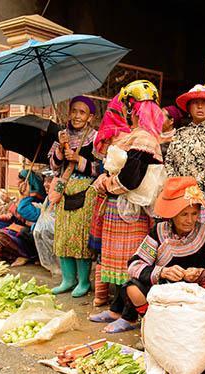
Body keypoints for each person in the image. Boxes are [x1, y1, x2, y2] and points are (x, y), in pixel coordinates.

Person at [91, 176, 205, 332]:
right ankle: (150, 323)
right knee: (131, 286)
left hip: (195, 295)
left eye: (194, 214)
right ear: (172, 214)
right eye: (184, 214)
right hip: (164, 291)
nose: (190, 220)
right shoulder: (159, 231)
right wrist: (163, 272)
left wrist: (201, 273)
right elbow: (135, 265)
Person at [88, 80, 166, 332]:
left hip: (132, 210)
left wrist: (106, 183)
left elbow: (131, 178)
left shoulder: (143, 138)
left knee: (132, 262)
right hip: (120, 208)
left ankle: (130, 315)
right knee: (121, 262)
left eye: (129, 106)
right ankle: (116, 309)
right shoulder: (133, 135)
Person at [48, 95, 99, 298]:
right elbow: (52, 166)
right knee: (63, 235)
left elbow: (101, 168)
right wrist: (60, 151)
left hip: (86, 193)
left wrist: (79, 159)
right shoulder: (61, 136)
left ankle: (84, 281)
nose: (77, 116)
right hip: (64, 191)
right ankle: (67, 279)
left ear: (90, 117)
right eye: (74, 111)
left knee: (80, 237)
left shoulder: (96, 138)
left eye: (82, 112)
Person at [89, 93, 133, 307]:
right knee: (108, 251)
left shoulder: (137, 137)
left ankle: (124, 302)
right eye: (125, 107)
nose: (128, 112)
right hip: (111, 201)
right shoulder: (109, 133)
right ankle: (105, 296)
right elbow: (100, 167)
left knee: (126, 253)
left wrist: (107, 179)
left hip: (127, 199)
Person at [164, 84, 205, 233]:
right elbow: (169, 161)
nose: (200, 106)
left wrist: (193, 183)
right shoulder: (180, 134)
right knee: (181, 236)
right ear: (189, 108)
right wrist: (176, 183)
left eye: (204, 103)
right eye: (195, 102)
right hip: (179, 194)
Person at [0, 170, 45, 265]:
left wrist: (21, 197)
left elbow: (22, 213)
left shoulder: (37, 198)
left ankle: (23, 255)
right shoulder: (23, 195)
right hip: (15, 225)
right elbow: (12, 215)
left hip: (27, 233)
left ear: (27, 183)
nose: (18, 183)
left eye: (20, 181)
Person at [33, 169, 60, 276]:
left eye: (49, 181)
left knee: (44, 232)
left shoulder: (58, 196)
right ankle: (52, 266)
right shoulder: (47, 199)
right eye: (45, 181)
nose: (45, 184)